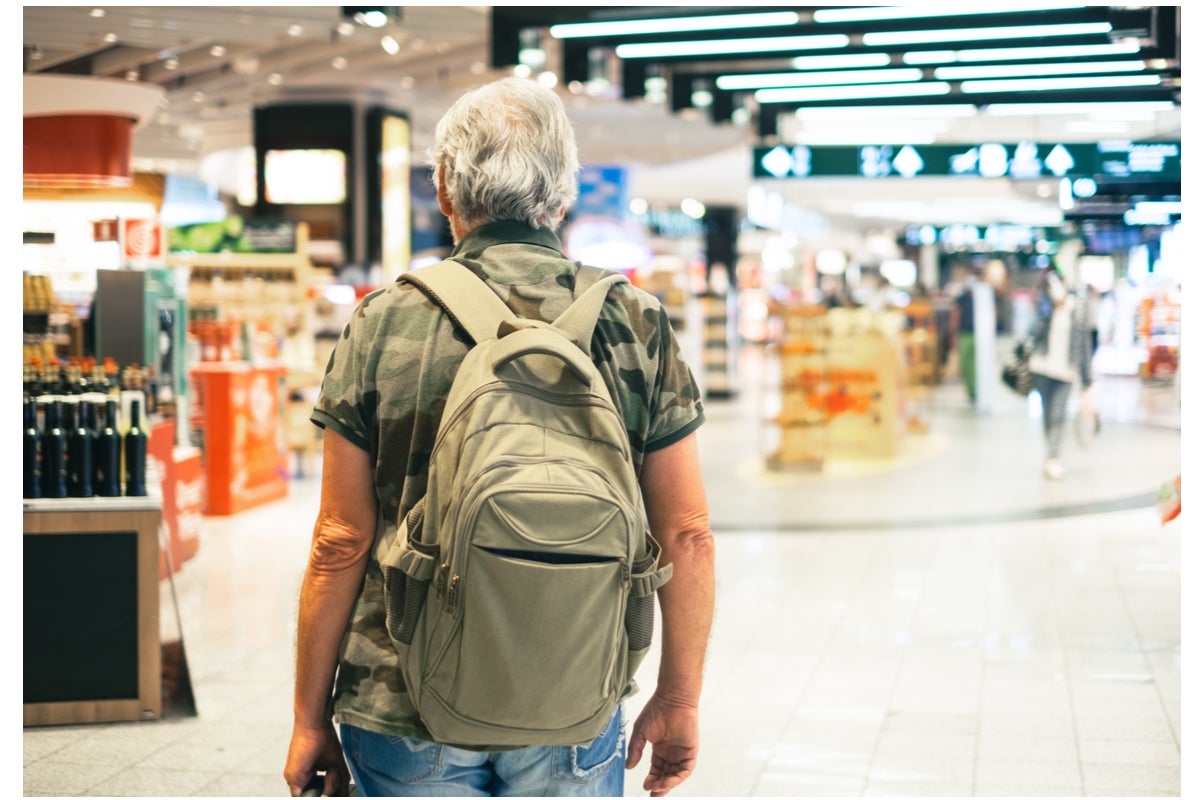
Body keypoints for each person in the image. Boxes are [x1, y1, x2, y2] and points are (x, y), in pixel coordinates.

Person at [284, 76, 716, 798]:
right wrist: (678, 698)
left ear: (443, 190)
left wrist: (308, 716)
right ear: (564, 195)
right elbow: (688, 535)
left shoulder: (384, 319)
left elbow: (340, 539)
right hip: (573, 687)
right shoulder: (634, 320)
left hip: (402, 695)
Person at [1025, 267, 1093, 480]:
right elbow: (1031, 334)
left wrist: (1087, 379)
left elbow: (1084, 344)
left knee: (1058, 414)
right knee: (1047, 415)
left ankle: (1053, 457)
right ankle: (1051, 452)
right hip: (1042, 369)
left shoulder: (1077, 309)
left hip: (1065, 371)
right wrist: (1044, 311)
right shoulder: (1044, 309)